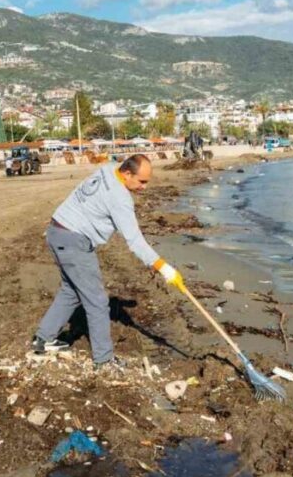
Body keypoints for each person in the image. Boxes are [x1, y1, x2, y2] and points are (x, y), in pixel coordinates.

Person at [31, 154, 186, 371]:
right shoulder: (120, 199)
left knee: (71, 290)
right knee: (97, 302)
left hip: (56, 231)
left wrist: (127, 304)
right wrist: (164, 267)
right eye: (142, 182)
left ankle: (43, 339)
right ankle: (103, 361)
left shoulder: (108, 169)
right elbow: (134, 241)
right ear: (127, 173)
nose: (144, 188)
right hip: (74, 239)